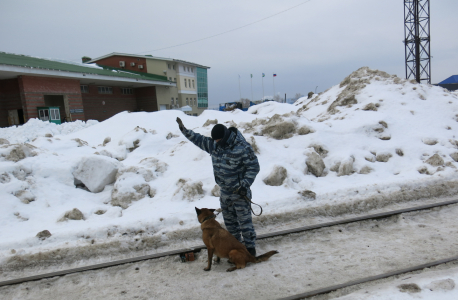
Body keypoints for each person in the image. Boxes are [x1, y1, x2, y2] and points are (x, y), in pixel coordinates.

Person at [176, 117, 260, 256]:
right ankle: (237, 248)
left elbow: (254, 167)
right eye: (214, 140)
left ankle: (250, 250)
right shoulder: (214, 145)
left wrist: (245, 185)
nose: (216, 143)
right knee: (231, 225)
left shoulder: (242, 147)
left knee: (245, 224)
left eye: (218, 141)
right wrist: (184, 130)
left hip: (240, 193)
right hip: (225, 193)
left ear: (225, 137)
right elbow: (198, 139)